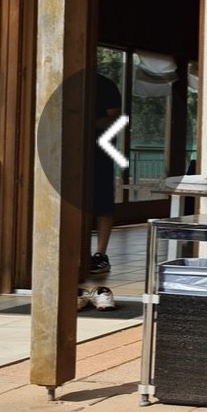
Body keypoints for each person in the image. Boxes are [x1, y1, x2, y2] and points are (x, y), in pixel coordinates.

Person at [86, 71, 122, 310]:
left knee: (103, 205)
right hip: (71, 151)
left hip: (101, 153)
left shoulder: (105, 85)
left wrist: (85, 122)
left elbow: (115, 120)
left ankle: (100, 255)